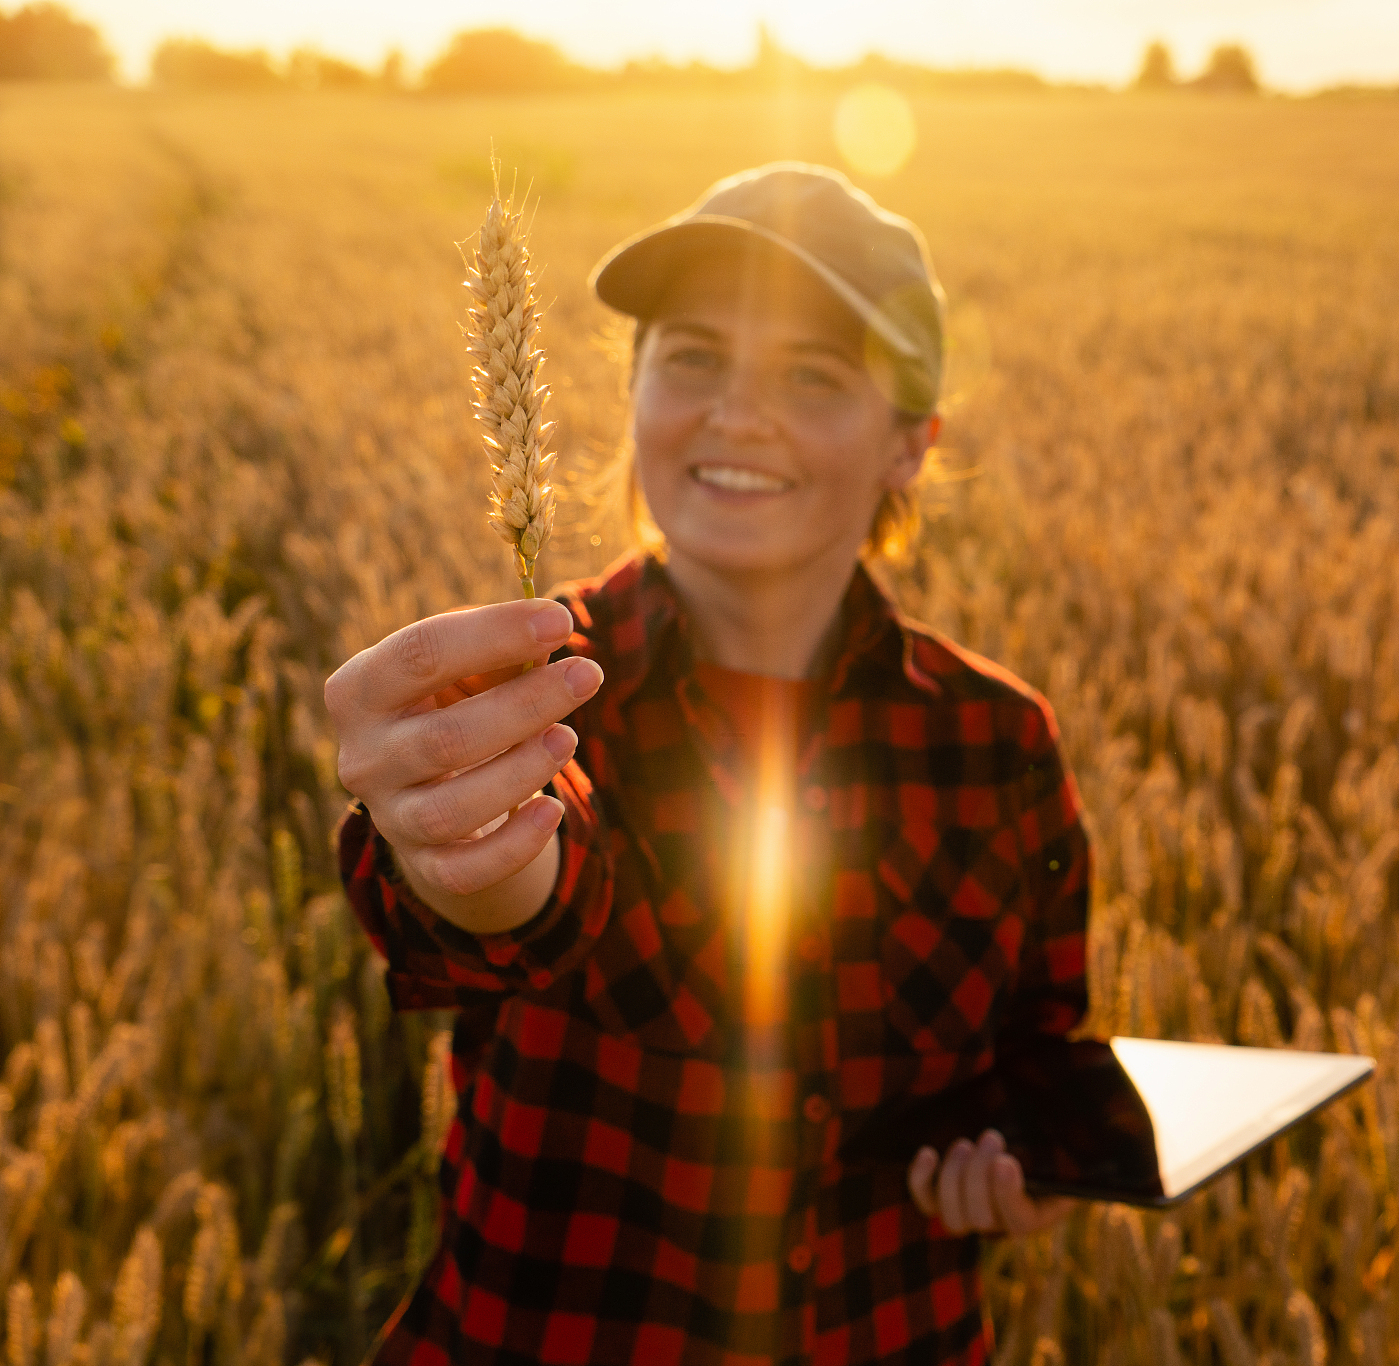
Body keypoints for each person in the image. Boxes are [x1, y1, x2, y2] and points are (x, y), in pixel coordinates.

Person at [325, 163, 1091, 1365]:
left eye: (812, 375)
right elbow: (517, 895)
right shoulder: (528, 688)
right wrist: (463, 860)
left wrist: (1031, 1153)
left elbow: (1045, 1051)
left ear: (910, 443)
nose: (737, 412)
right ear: (628, 391)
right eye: (690, 357)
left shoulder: (999, 743)